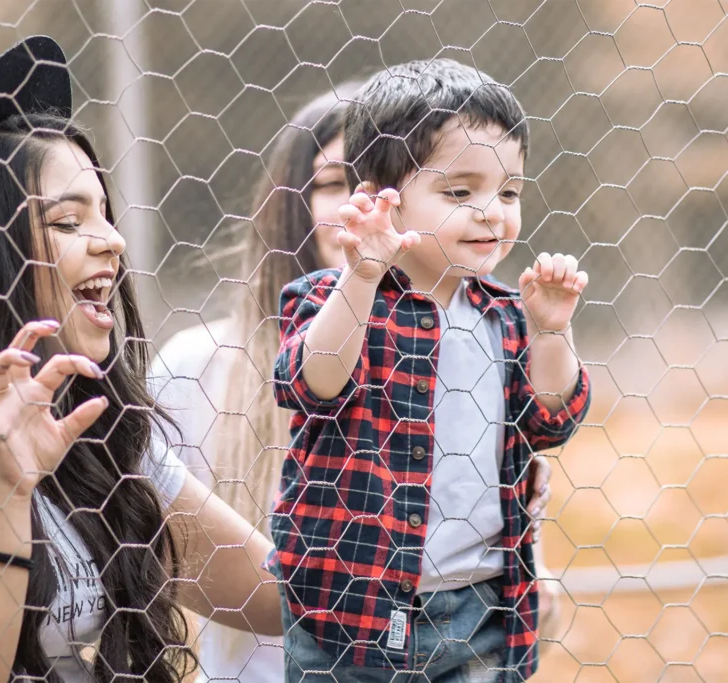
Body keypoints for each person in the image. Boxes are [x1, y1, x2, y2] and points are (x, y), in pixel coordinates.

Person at [151, 80, 560, 681]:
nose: (369, 213)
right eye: (337, 185)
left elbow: (520, 590)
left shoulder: (479, 337)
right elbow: (145, 549)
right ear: (290, 199)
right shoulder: (199, 364)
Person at [0, 37, 283, 683]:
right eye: (69, 221)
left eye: (105, 214)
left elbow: (273, 595)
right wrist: (7, 490)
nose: (112, 241)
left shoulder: (101, 429)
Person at [269, 58, 590, 682]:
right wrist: (362, 273)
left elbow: (551, 420)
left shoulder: (507, 315)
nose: (491, 212)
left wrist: (552, 329)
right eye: (460, 192)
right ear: (380, 199)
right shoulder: (328, 297)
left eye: (509, 191)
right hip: (347, 609)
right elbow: (311, 383)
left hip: (481, 609)